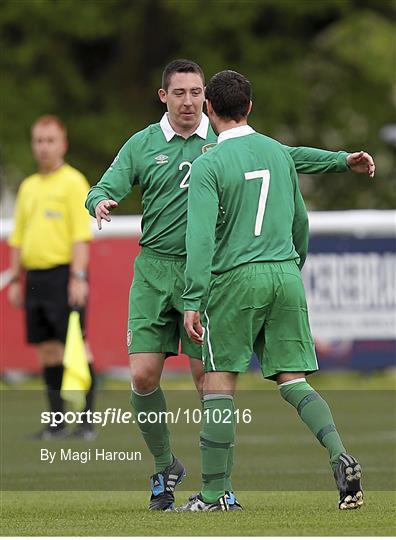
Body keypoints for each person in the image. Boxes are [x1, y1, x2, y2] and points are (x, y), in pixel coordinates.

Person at [85, 59, 373, 512]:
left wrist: (338, 160)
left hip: (213, 273)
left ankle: (220, 489)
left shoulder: (216, 146)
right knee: (143, 375)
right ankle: (166, 467)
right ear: (164, 96)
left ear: (208, 100)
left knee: (211, 381)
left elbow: (291, 155)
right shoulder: (143, 144)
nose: (189, 100)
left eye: (196, 92)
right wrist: (100, 200)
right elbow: (103, 186)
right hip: (158, 270)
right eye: (179, 92)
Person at [181, 70, 364, 512]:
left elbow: (201, 239)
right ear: (250, 107)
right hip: (284, 275)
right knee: (293, 379)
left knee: (218, 381)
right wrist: (291, 266)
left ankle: (212, 495)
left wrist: (191, 298)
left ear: (209, 109)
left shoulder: (208, 164)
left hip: (235, 281)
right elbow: (301, 222)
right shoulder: (278, 153)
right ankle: (339, 453)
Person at [8, 115, 96, 440]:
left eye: (50, 141)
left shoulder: (74, 182)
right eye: (39, 141)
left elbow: (80, 236)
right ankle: (57, 422)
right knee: (47, 351)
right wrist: (16, 279)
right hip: (34, 279)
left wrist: (78, 276)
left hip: (64, 275)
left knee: (76, 346)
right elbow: (18, 237)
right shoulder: (29, 186)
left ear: (63, 144)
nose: (43, 147)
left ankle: (86, 422)